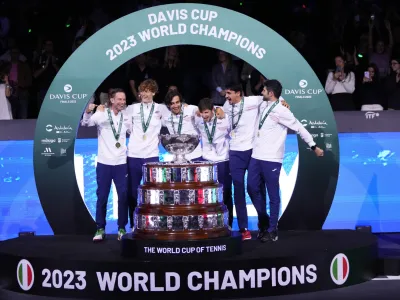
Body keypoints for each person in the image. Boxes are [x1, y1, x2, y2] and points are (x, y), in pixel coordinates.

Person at [247, 80, 324, 243]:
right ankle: (264, 220)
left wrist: (314, 146)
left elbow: (299, 128)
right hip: (256, 156)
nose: (262, 91)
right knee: (252, 188)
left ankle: (272, 229)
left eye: (264, 89)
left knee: (273, 195)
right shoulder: (263, 104)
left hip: (272, 158)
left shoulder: (283, 111)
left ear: (271, 93)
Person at [222, 83, 290, 241]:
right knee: (238, 189)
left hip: (253, 151)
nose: (226, 97)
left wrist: (283, 101)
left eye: (229, 93)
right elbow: (219, 112)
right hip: (235, 152)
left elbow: (273, 97)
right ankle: (244, 229)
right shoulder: (226, 105)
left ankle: (263, 223)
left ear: (239, 93)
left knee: (258, 188)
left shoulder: (254, 101)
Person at [81, 88, 130, 242]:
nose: (122, 102)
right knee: (102, 197)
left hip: (121, 163)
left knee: (123, 197)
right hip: (104, 163)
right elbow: (85, 123)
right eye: (119, 99)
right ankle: (100, 228)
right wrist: (88, 111)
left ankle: (122, 228)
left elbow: (134, 132)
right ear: (112, 100)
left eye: (124, 99)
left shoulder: (126, 117)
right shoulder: (101, 113)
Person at [125, 79, 162, 229]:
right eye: (143, 91)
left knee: (154, 191)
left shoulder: (161, 109)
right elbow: (125, 126)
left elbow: (178, 112)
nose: (146, 94)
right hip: (134, 153)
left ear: (154, 92)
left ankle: (154, 222)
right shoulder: (132, 108)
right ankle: (134, 223)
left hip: (152, 154)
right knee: (133, 190)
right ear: (139, 93)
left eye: (149, 91)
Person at [196, 98, 233, 228]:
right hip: (206, 161)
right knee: (207, 194)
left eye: (207, 112)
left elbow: (233, 130)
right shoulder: (198, 119)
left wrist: (219, 109)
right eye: (202, 113)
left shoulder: (224, 117)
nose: (204, 115)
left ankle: (228, 223)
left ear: (212, 110)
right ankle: (208, 223)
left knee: (226, 192)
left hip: (223, 160)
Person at [161, 89, 202, 161]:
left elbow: (206, 108)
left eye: (177, 102)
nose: (176, 105)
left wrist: (217, 109)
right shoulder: (165, 115)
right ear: (168, 105)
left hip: (194, 155)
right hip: (177, 157)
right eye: (172, 103)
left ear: (181, 102)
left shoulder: (190, 109)